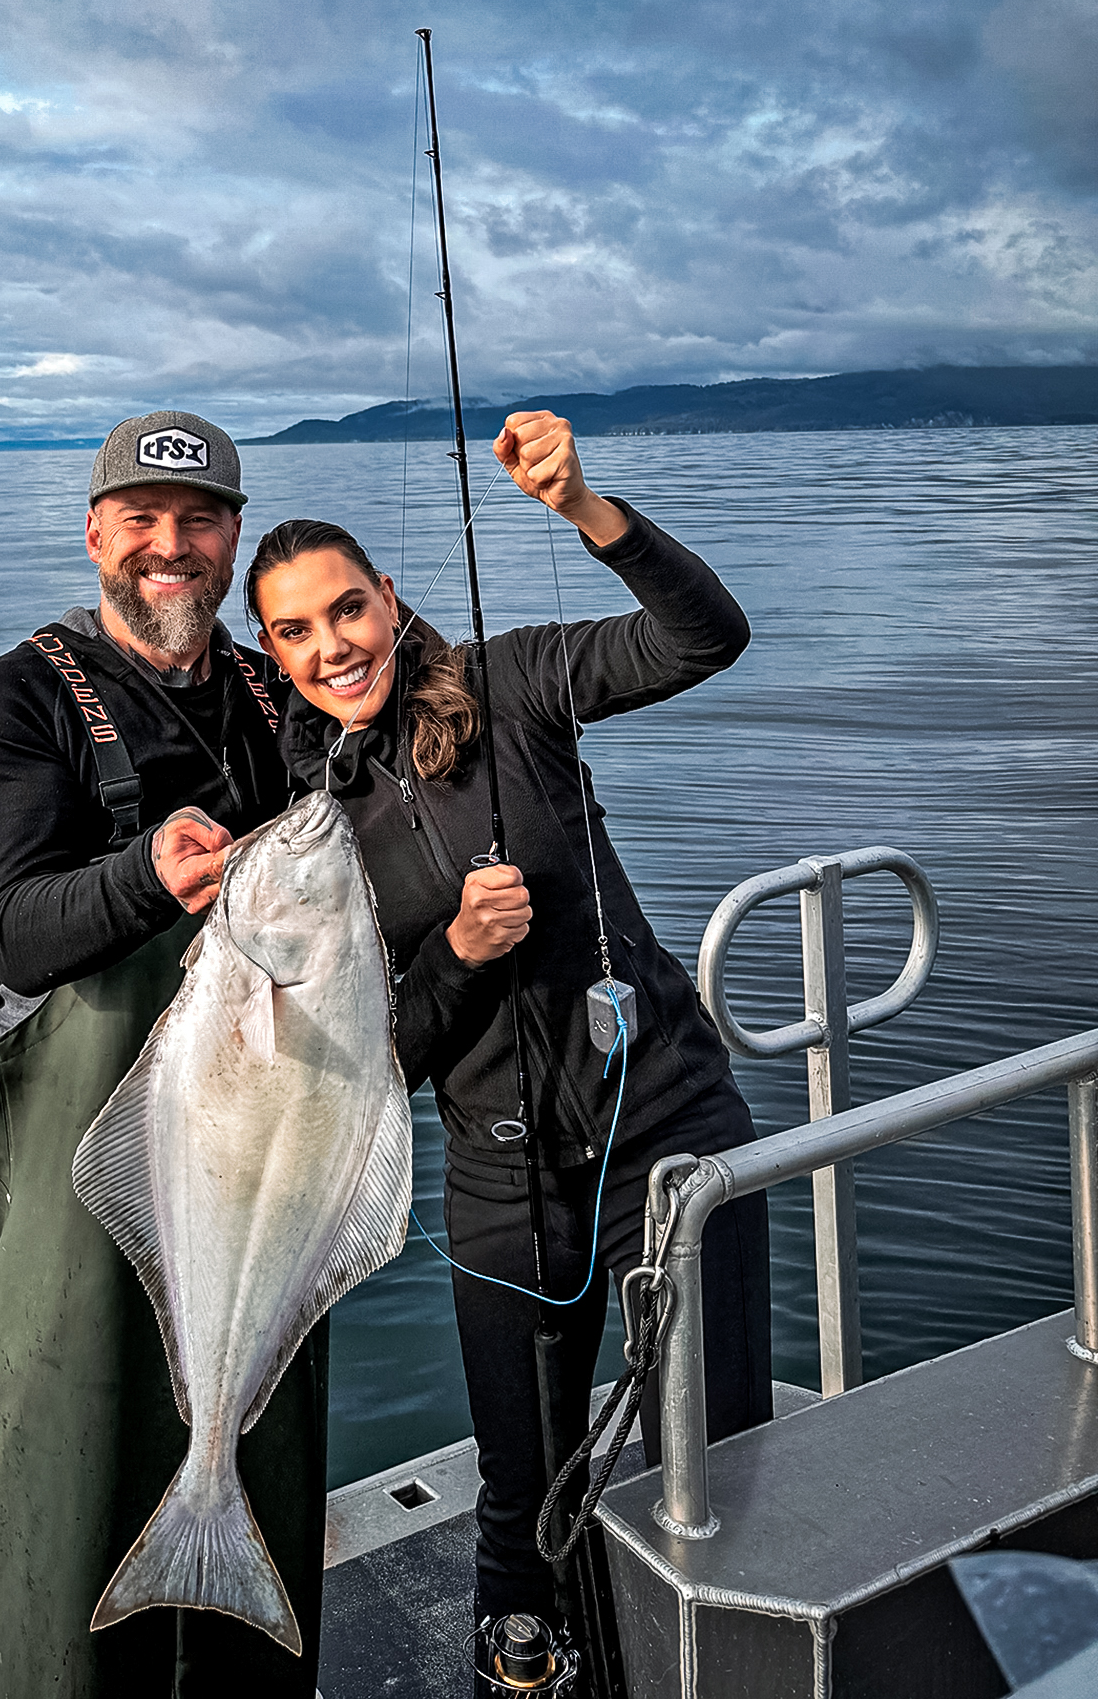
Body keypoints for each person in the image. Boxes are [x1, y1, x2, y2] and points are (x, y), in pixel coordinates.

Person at [242, 410, 774, 1640]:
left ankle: (724, 1649)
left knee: (729, 1442)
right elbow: (382, 1052)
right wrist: (460, 951)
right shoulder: (315, 829)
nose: (335, 646)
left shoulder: (514, 682)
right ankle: (523, 1659)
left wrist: (586, 506)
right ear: (273, 653)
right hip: (502, 1179)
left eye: (348, 610)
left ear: (389, 597)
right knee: (520, 1496)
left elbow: (707, 636)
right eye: (297, 631)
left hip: (670, 1124)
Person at [0, 411, 325, 1697]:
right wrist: (147, 873)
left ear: (233, 537)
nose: (173, 546)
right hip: (91, 1172)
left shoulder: (281, 687)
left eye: (201, 520)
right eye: (144, 521)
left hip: (269, 1161)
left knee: (264, 1448)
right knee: (64, 1467)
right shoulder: (15, 701)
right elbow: (21, 932)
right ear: (97, 531)